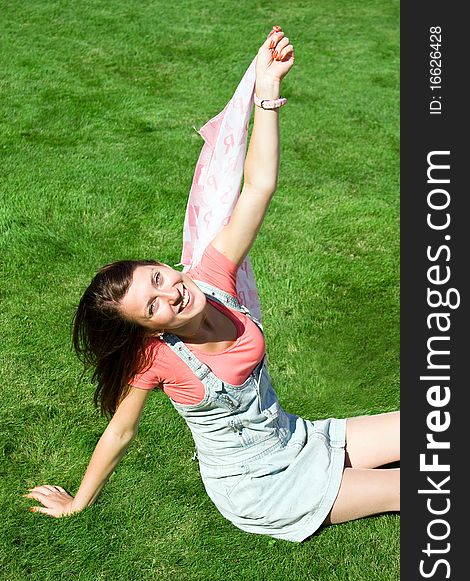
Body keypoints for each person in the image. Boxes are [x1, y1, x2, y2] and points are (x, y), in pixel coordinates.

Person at [23, 27, 399, 542]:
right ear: (148, 330)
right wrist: (76, 502)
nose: (170, 293)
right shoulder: (157, 358)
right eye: (153, 306)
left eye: (158, 278)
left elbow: (259, 187)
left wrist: (267, 92)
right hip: (260, 487)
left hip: (295, 438)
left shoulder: (211, 276)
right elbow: (121, 430)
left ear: (162, 264)